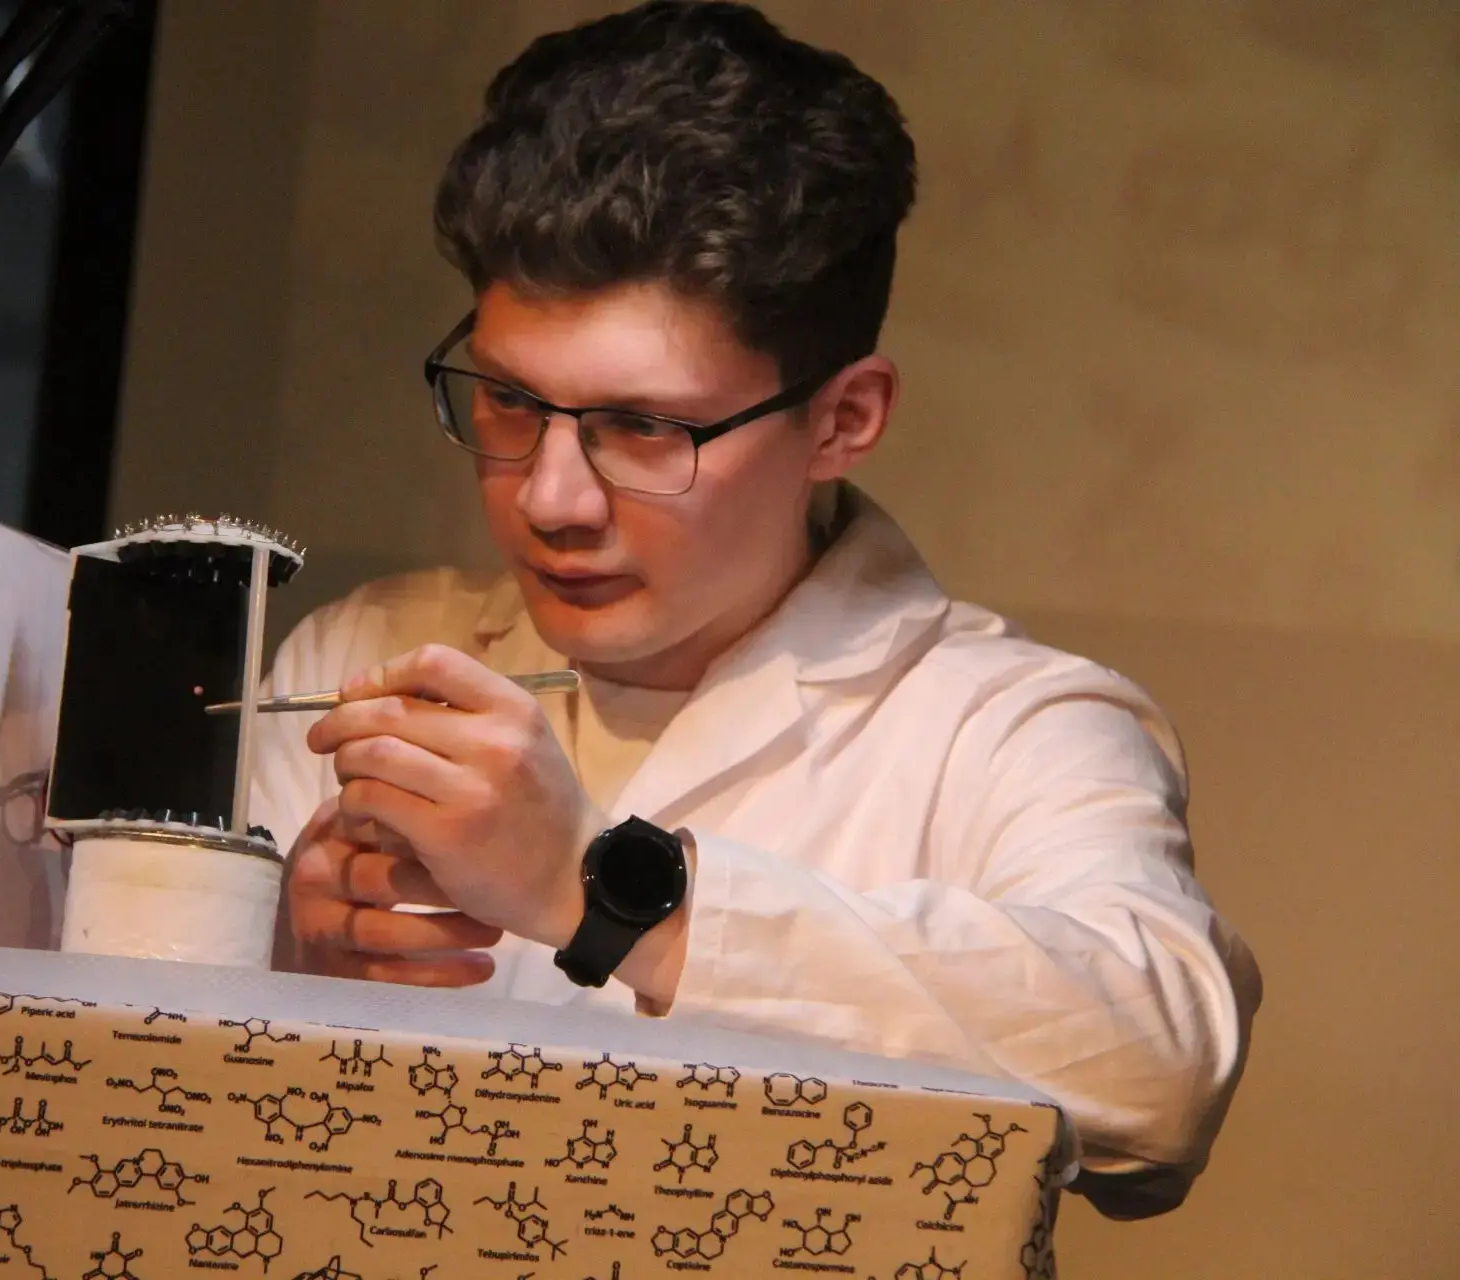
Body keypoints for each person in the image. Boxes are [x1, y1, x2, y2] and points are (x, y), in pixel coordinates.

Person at [251, 0, 1259, 1218]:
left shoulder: (1009, 727)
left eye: (644, 425)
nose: (551, 498)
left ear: (844, 419)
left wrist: (605, 891)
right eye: (510, 400)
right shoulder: (360, 650)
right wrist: (284, 962)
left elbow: (1163, 1066)